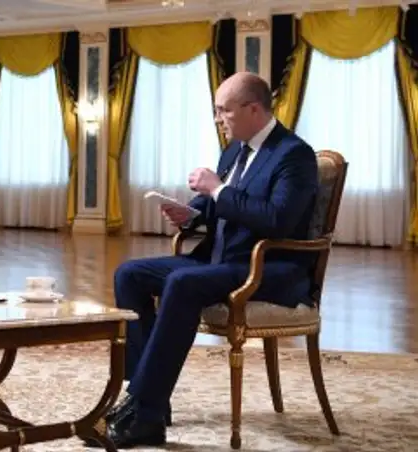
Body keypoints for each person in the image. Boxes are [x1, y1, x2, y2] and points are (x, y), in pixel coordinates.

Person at [98, 72, 319, 448]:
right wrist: (192, 214)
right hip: (220, 260)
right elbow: (220, 206)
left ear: (253, 109)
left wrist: (217, 188)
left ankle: (143, 414)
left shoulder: (294, 154)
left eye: (224, 111)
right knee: (129, 274)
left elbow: (276, 219)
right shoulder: (234, 150)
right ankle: (149, 400)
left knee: (182, 283)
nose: (218, 119)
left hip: (266, 267)